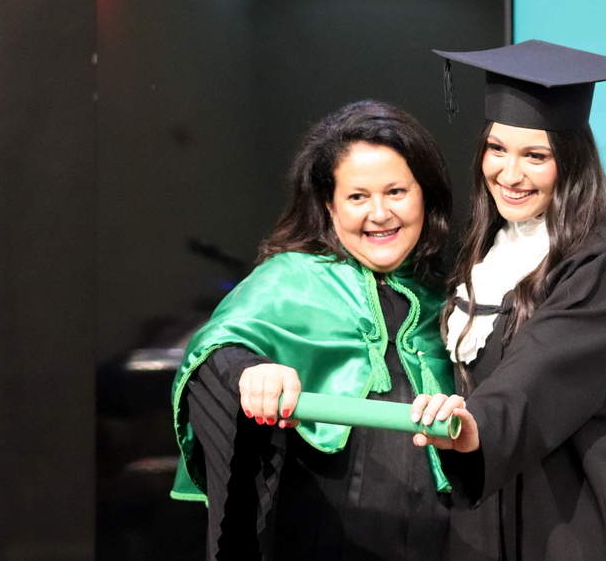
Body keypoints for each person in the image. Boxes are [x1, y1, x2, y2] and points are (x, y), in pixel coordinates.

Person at [412, 40, 606, 560]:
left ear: (572, 162)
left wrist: (473, 425)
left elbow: (538, 374)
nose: (509, 174)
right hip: (493, 519)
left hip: (583, 528)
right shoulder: (486, 250)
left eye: (536, 156)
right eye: (496, 149)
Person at [171, 100, 455, 560]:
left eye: (396, 192)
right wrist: (252, 370)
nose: (380, 213)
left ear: (425, 195)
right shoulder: (289, 279)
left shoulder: (452, 292)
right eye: (357, 197)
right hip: (322, 536)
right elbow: (216, 348)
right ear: (329, 205)